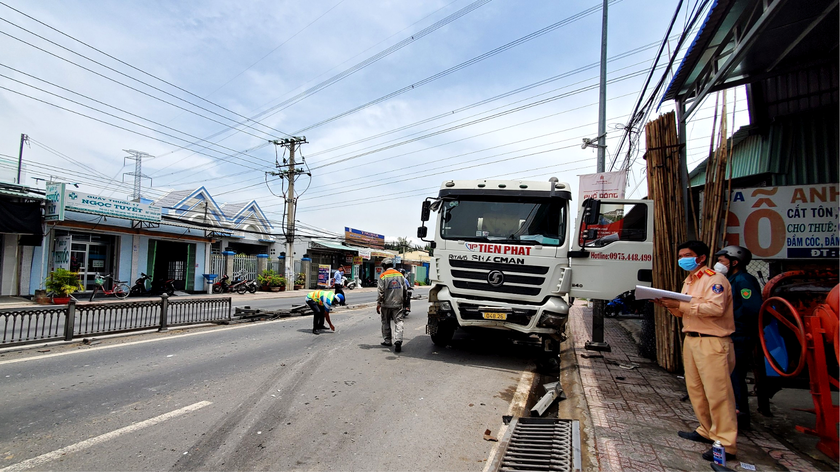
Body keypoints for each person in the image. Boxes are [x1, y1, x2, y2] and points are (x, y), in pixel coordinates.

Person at [655, 240, 738, 462]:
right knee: (697, 391)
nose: (683, 259)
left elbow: (715, 309)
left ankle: (726, 444)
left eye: (688, 255)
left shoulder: (714, 280)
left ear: (700, 257)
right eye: (681, 255)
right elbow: (686, 312)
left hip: (713, 342)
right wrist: (669, 305)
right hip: (692, 339)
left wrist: (679, 305)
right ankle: (706, 430)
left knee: (718, 395)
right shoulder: (689, 281)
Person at [714, 245, 763, 431]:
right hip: (733, 333)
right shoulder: (731, 279)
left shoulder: (743, 281)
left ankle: (740, 416)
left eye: (721, 261)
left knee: (735, 376)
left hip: (740, 335)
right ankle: (733, 414)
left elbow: (752, 309)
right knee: (729, 376)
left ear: (734, 262)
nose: (718, 264)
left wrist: (734, 325)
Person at [377, 258, 407, 352]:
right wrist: (404, 301)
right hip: (398, 303)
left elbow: (380, 292)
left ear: (385, 266)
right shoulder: (400, 275)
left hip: (386, 304)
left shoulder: (383, 276)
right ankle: (398, 340)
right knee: (399, 322)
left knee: (385, 322)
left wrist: (378, 303)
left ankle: (387, 340)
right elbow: (405, 289)